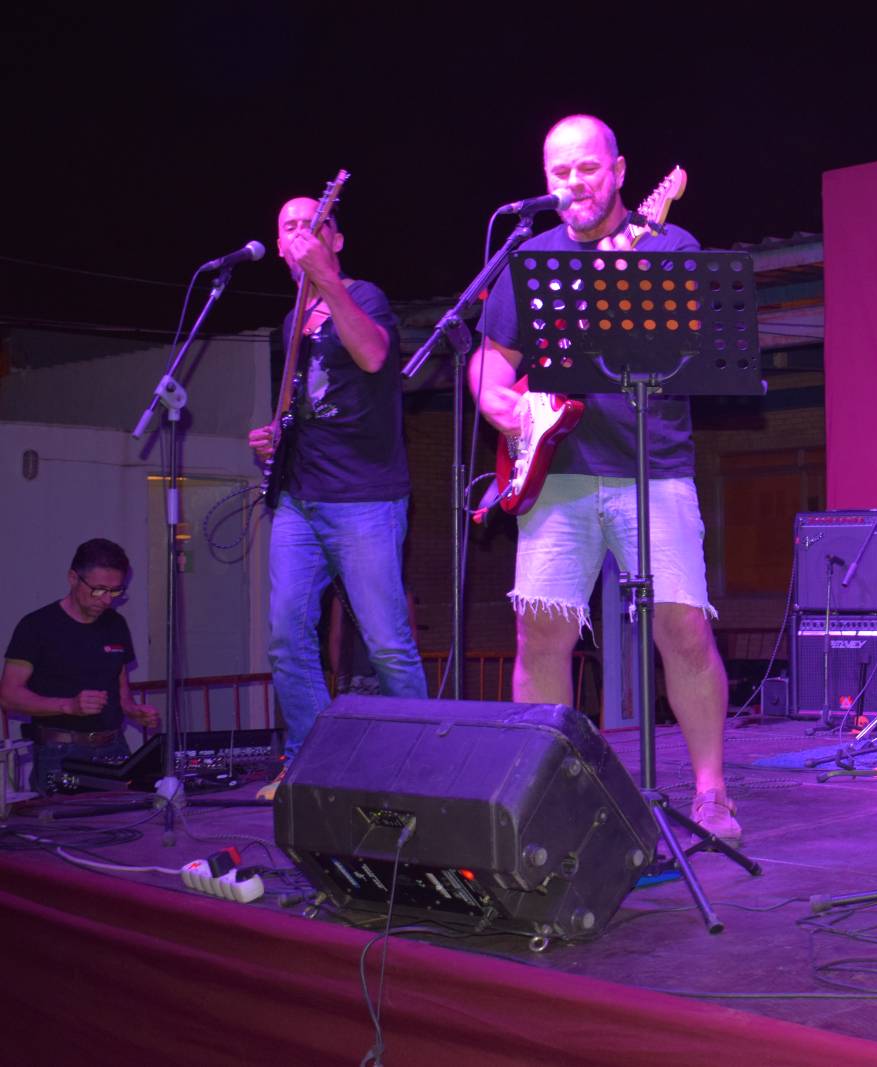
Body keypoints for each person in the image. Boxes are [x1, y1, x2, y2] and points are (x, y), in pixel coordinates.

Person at [468, 114, 741, 844]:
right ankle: (547, 791)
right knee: (541, 633)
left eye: (586, 168)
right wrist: (494, 399)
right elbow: (493, 359)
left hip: (652, 465)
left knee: (682, 628)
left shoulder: (668, 245)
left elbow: (694, 347)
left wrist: (626, 290)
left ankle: (710, 792)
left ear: (618, 171)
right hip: (556, 470)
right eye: (558, 172)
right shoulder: (530, 257)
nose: (573, 183)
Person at [249, 197, 427, 800]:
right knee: (286, 635)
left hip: (364, 497)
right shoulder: (290, 320)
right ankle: (309, 761)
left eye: (312, 224)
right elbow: (308, 402)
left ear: (336, 240)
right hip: (300, 497)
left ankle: (417, 767)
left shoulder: (364, 295)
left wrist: (326, 280)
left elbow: (373, 355)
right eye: (289, 228)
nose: (300, 234)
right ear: (279, 247)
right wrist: (275, 435)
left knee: (386, 643)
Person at [2, 539, 161, 794]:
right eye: (98, 590)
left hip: (113, 746)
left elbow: (120, 688)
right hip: (59, 751)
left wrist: (133, 710)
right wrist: (68, 706)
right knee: (65, 820)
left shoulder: (116, 624)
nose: (106, 600)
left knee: (127, 815)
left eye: (115, 591)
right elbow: (9, 695)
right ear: (73, 578)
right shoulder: (36, 626)